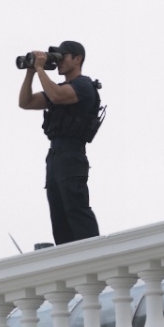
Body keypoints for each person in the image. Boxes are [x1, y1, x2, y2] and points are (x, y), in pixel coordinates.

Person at [18, 41, 100, 244]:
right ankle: (68, 258)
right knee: (59, 214)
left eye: (64, 57)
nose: (60, 61)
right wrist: (30, 72)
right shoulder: (60, 87)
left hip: (72, 154)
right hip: (55, 157)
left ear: (77, 59)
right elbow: (25, 102)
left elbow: (55, 95)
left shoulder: (83, 85)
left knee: (75, 208)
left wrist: (39, 68)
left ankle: (93, 254)